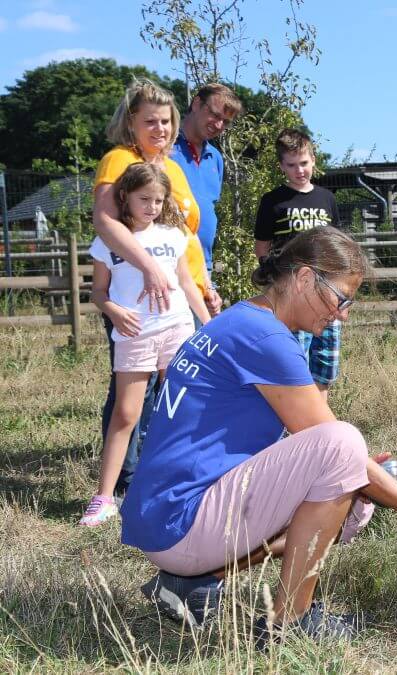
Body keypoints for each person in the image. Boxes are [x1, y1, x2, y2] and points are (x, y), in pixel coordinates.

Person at [122, 227, 397, 643]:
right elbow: (332, 444)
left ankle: (192, 582)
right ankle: (289, 622)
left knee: (352, 499)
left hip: (163, 518)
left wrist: (359, 482)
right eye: (341, 298)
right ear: (305, 278)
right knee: (343, 446)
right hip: (181, 524)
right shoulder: (266, 337)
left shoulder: (241, 320)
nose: (342, 314)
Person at [92, 78, 210, 495]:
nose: (159, 129)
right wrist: (148, 269)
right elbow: (105, 222)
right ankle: (124, 479)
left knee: (176, 392)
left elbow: (185, 233)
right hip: (139, 297)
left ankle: (166, 471)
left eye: (165, 121)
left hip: (183, 297)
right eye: (150, 121)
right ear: (130, 123)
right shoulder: (119, 160)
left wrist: (204, 283)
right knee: (131, 393)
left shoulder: (173, 166)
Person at [81, 164, 211, 526]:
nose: (152, 206)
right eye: (144, 199)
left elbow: (188, 285)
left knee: (182, 408)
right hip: (135, 334)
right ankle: (104, 497)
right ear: (125, 197)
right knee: (126, 414)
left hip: (177, 327)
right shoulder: (108, 241)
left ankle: (183, 486)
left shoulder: (173, 235)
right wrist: (113, 311)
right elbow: (98, 292)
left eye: (158, 200)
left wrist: (211, 327)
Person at [254, 128, 343, 400]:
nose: (299, 170)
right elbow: (262, 248)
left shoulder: (327, 198)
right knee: (294, 364)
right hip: (292, 296)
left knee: (324, 365)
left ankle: (319, 424)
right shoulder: (272, 202)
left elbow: (338, 246)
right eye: (291, 165)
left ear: (313, 160)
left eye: (303, 163)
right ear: (282, 166)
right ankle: (294, 429)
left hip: (326, 293)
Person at [172, 82, 244, 318]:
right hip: (167, 264)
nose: (219, 125)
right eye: (214, 114)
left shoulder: (216, 159)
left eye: (226, 121)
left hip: (202, 264)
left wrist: (208, 280)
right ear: (196, 103)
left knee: (196, 347)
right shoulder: (165, 147)